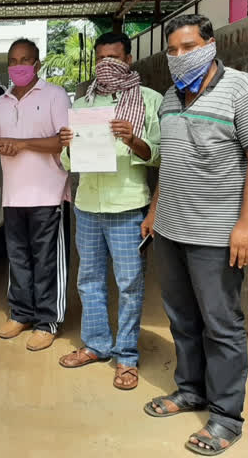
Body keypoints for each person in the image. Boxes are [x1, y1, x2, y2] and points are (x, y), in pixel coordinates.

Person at [141, 15, 248, 455]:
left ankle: (225, 416)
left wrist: (247, 224)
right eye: (173, 50)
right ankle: (190, 390)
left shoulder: (242, 89)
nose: (180, 56)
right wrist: (155, 213)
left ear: (210, 44)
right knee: (182, 317)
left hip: (217, 234)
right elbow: (170, 163)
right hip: (171, 229)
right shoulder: (167, 99)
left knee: (221, 324)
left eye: (189, 46)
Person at [57, 32, 162, 390]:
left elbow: (157, 156)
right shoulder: (84, 104)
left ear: (129, 59)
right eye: (101, 59)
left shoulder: (149, 101)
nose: (107, 66)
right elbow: (68, 160)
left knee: (130, 285)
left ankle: (127, 357)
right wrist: (67, 146)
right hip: (87, 203)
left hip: (128, 205)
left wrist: (132, 138)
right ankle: (96, 345)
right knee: (88, 281)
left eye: (114, 58)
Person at [0, 38, 71, 352]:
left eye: (25, 60)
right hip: (14, 196)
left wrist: (22, 143)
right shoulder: (1, 102)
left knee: (46, 261)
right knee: (18, 259)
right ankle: (21, 313)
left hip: (48, 194)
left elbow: (63, 141)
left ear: (37, 64)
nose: (18, 66)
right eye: (14, 60)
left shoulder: (55, 95)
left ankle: (47, 321)